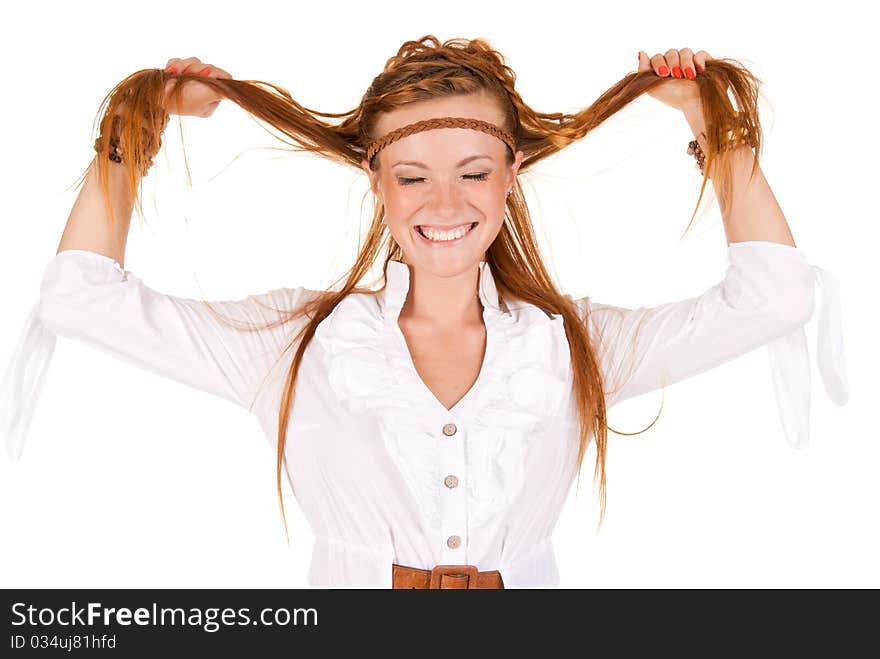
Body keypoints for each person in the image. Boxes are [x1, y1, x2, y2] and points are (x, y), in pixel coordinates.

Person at [0, 36, 848, 588]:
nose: (445, 200)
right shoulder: (296, 344)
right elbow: (80, 299)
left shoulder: (572, 346)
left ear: (512, 176)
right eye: (413, 176)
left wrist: (713, 122)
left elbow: (775, 297)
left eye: (475, 171)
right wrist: (135, 128)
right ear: (376, 182)